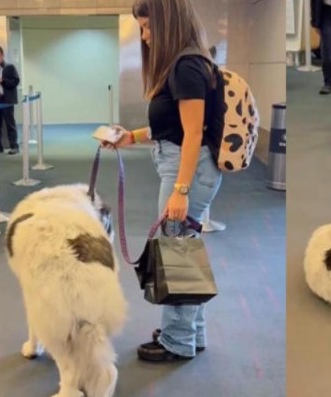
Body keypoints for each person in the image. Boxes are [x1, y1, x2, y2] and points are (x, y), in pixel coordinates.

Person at [107, 0, 222, 362]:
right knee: (183, 250)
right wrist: (132, 137)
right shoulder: (183, 64)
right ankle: (192, 333)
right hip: (180, 163)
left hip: (187, 168)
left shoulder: (187, 66)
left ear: (167, 22)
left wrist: (181, 190)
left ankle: (176, 341)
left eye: (147, 27)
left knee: (175, 253)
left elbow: (192, 134)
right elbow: (169, 125)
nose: (144, 36)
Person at [0, 46, 21, 154]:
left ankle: (14, 146)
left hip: (7, 100)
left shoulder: (10, 67)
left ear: (2, 56)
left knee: (10, 123)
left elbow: (15, 81)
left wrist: (3, 81)